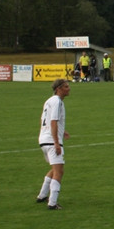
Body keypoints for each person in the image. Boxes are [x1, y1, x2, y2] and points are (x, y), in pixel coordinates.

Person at [36, 78, 71, 210]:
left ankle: (42, 195)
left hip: (44, 140)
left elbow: (44, 120)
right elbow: (53, 121)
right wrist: (56, 142)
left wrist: (62, 132)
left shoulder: (48, 101)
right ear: (59, 89)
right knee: (59, 171)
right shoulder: (57, 102)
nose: (69, 89)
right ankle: (52, 203)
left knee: (54, 168)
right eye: (66, 87)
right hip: (51, 141)